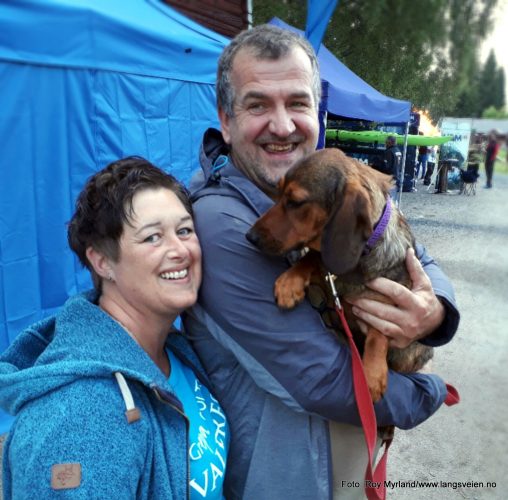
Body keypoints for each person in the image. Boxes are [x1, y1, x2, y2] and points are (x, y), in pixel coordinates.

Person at [184, 25, 459, 499]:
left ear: (318, 113)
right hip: (287, 478)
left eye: (297, 103)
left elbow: (412, 251)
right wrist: (426, 394)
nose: (283, 125)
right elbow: (321, 381)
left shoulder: (334, 185)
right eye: (257, 105)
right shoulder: (219, 224)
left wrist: (435, 313)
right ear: (225, 121)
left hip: (347, 462)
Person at [0, 157, 229, 499]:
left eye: (184, 231)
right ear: (102, 261)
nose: (180, 250)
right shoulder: (79, 413)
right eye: (153, 237)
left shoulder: (176, 353)